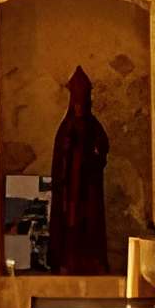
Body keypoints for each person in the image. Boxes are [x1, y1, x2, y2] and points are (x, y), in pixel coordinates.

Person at [48, 66, 110, 273]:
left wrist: (95, 160)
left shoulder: (93, 125)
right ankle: (67, 260)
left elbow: (103, 145)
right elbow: (60, 155)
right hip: (71, 185)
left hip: (89, 184)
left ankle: (91, 261)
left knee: (90, 221)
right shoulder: (66, 126)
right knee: (70, 221)